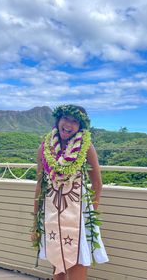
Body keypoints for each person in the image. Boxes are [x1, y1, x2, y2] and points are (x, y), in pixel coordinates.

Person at [31, 104, 108, 280]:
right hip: (53, 214)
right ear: (58, 120)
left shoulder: (86, 147)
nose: (69, 124)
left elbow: (97, 184)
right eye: (66, 118)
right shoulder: (45, 148)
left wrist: (89, 217)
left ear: (81, 126)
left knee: (77, 265)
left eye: (75, 122)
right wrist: (36, 222)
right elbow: (40, 186)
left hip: (78, 214)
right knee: (58, 268)